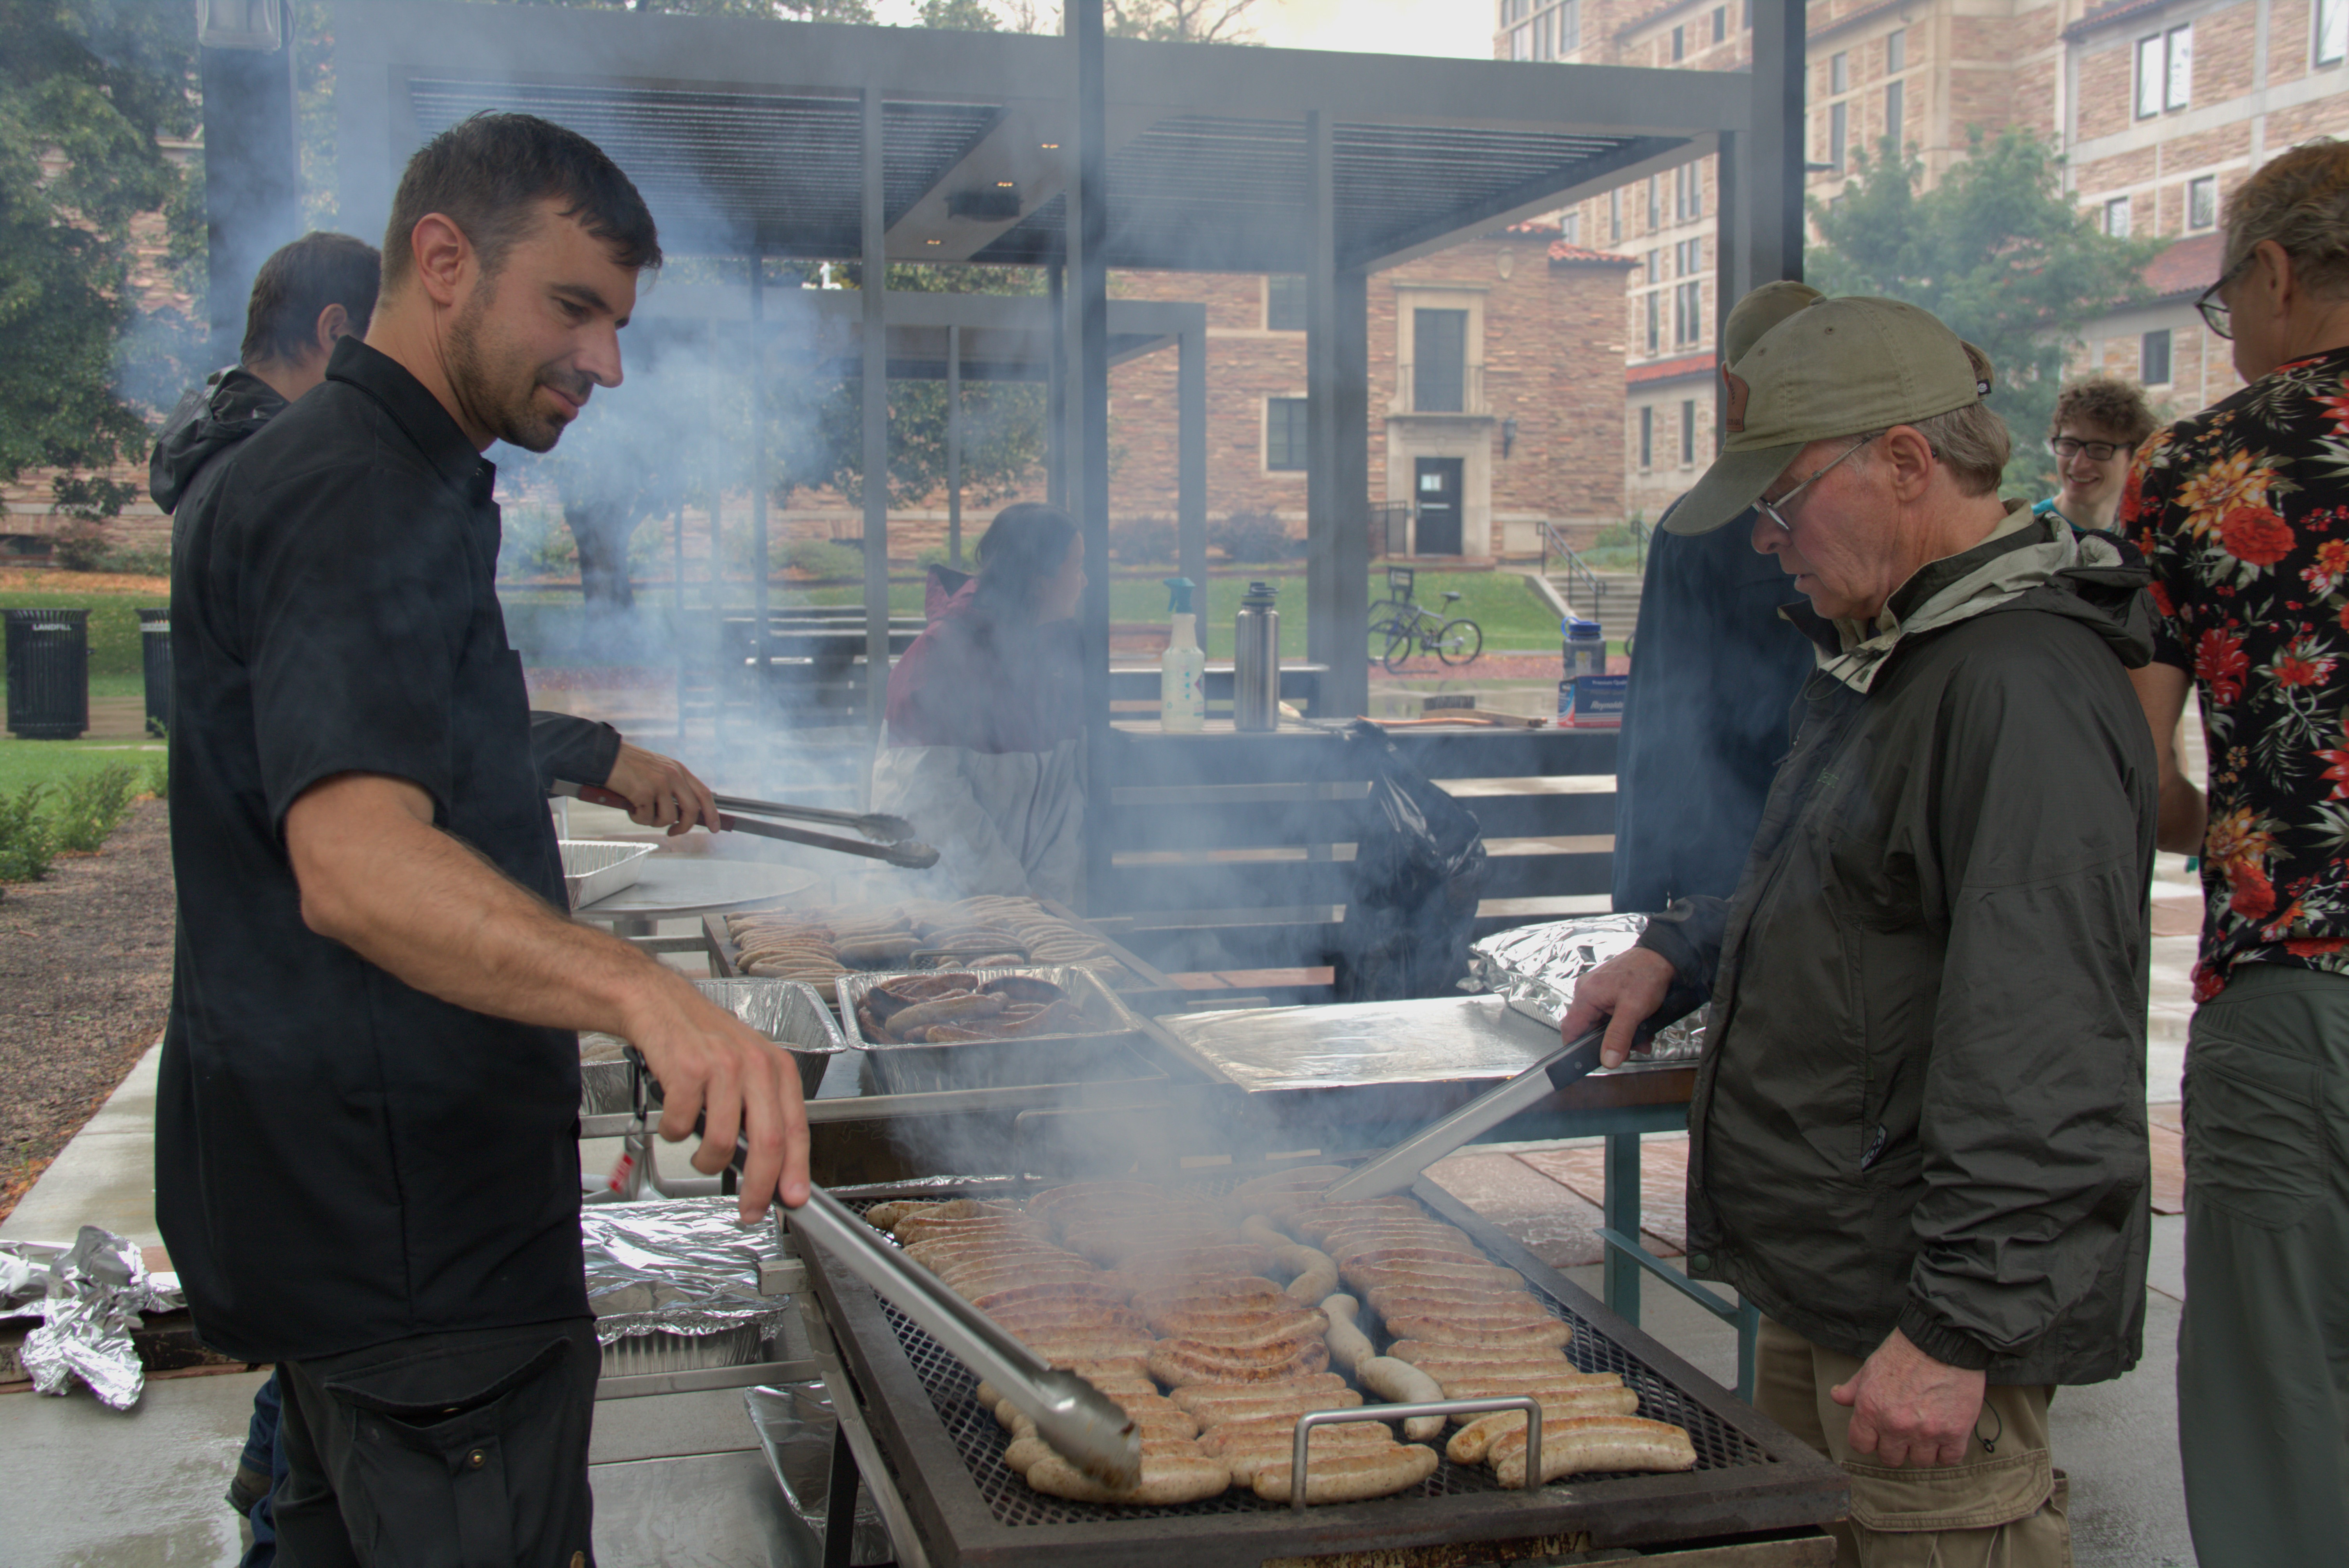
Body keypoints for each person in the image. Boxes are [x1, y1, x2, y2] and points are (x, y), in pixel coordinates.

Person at [160, 111, 811, 1566]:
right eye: (571, 306)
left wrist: (583, 760)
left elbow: (398, 767)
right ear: (442, 260)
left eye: (619, 320)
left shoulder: (380, 480)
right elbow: (355, 859)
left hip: (340, 1238)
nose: (606, 360)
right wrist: (643, 991)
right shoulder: (354, 493)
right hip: (418, 1275)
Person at [1564, 293, 2156, 1568]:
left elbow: (2044, 1041)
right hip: (1839, 1273)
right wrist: (1682, 947)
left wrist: (1956, 1333)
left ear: (1902, 462)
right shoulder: (1901, 650)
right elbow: (1844, 882)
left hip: (1922, 1313)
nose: (1766, 545)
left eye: (1781, 502)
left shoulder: (2015, 686)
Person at [2120, 138, 2349, 1568]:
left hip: (2290, 985)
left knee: (2276, 1401)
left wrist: (2236, 822)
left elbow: (2136, 777)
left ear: (2271, 272)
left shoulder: (2198, 466)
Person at [1613, 280, 1825, 912]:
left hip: (1728, 861)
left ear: (1731, 385)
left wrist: (1639, 906)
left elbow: (1659, 733)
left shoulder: (1693, 529)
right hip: (1816, 857)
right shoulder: (1877, 512)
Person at [872, 503, 1088, 904]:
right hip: (942, 910)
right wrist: (1014, 896)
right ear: (1040, 579)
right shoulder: (939, 656)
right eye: (1076, 565)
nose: (1084, 580)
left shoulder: (1060, 658)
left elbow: (1066, 796)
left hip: (1031, 911)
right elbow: (932, 803)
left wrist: (1048, 900)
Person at [2033, 376, 2158, 535]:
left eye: (2099, 449)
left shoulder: (2147, 538)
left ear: (2135, 456)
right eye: (2069, 445)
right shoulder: (2027, 533)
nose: (2078, 464)